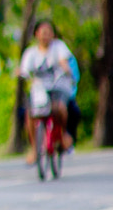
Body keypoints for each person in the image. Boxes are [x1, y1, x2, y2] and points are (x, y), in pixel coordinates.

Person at [19, 19, 79, 159]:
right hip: (39, 88)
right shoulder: (31, 53)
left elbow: (63, 61)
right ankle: (35, 148)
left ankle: (62, 134)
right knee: (30, 113)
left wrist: (66, 69)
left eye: (49, 32)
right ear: (37, 34)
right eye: (43, 32)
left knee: (60, 108)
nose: (46, 35)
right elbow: (24, 70)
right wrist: (22, 74)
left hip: (58, 86)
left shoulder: (59, 47)